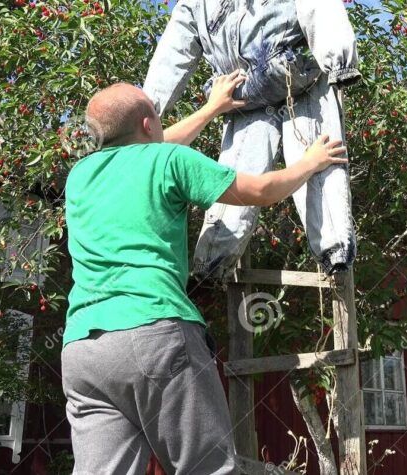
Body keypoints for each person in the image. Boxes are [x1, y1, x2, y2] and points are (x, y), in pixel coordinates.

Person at [60, 72, 347, 474]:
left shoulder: (80, 177)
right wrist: (308, 163)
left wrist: (212, 108)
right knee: (207, 468)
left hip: (83, 352)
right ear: (148, 124)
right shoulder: (168, 161)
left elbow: (145, 148)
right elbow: (261, 190)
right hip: (153, 332)